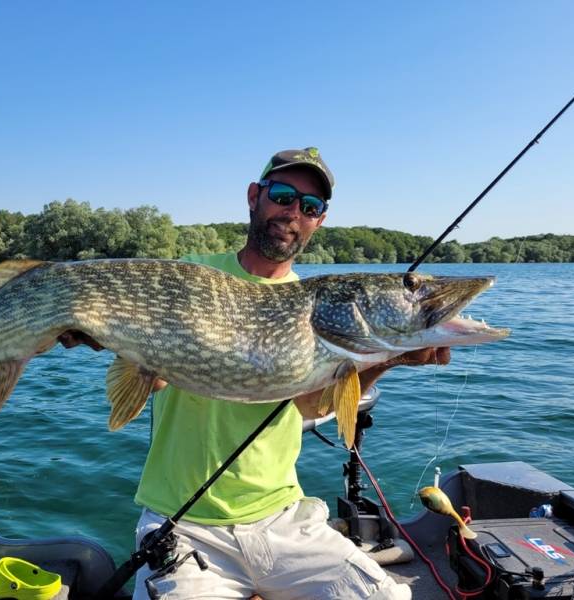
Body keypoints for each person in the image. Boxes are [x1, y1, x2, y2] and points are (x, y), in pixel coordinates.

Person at [127, 148, 450, 599]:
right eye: (283, 196)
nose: (293, 213)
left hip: (283, 519)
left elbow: (308, 406)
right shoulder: (190, 275)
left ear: (318, 221)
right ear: (255, 196)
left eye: (310, 207)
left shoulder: (316, 302)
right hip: (184, 523)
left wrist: (386, 359)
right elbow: (150, 376)